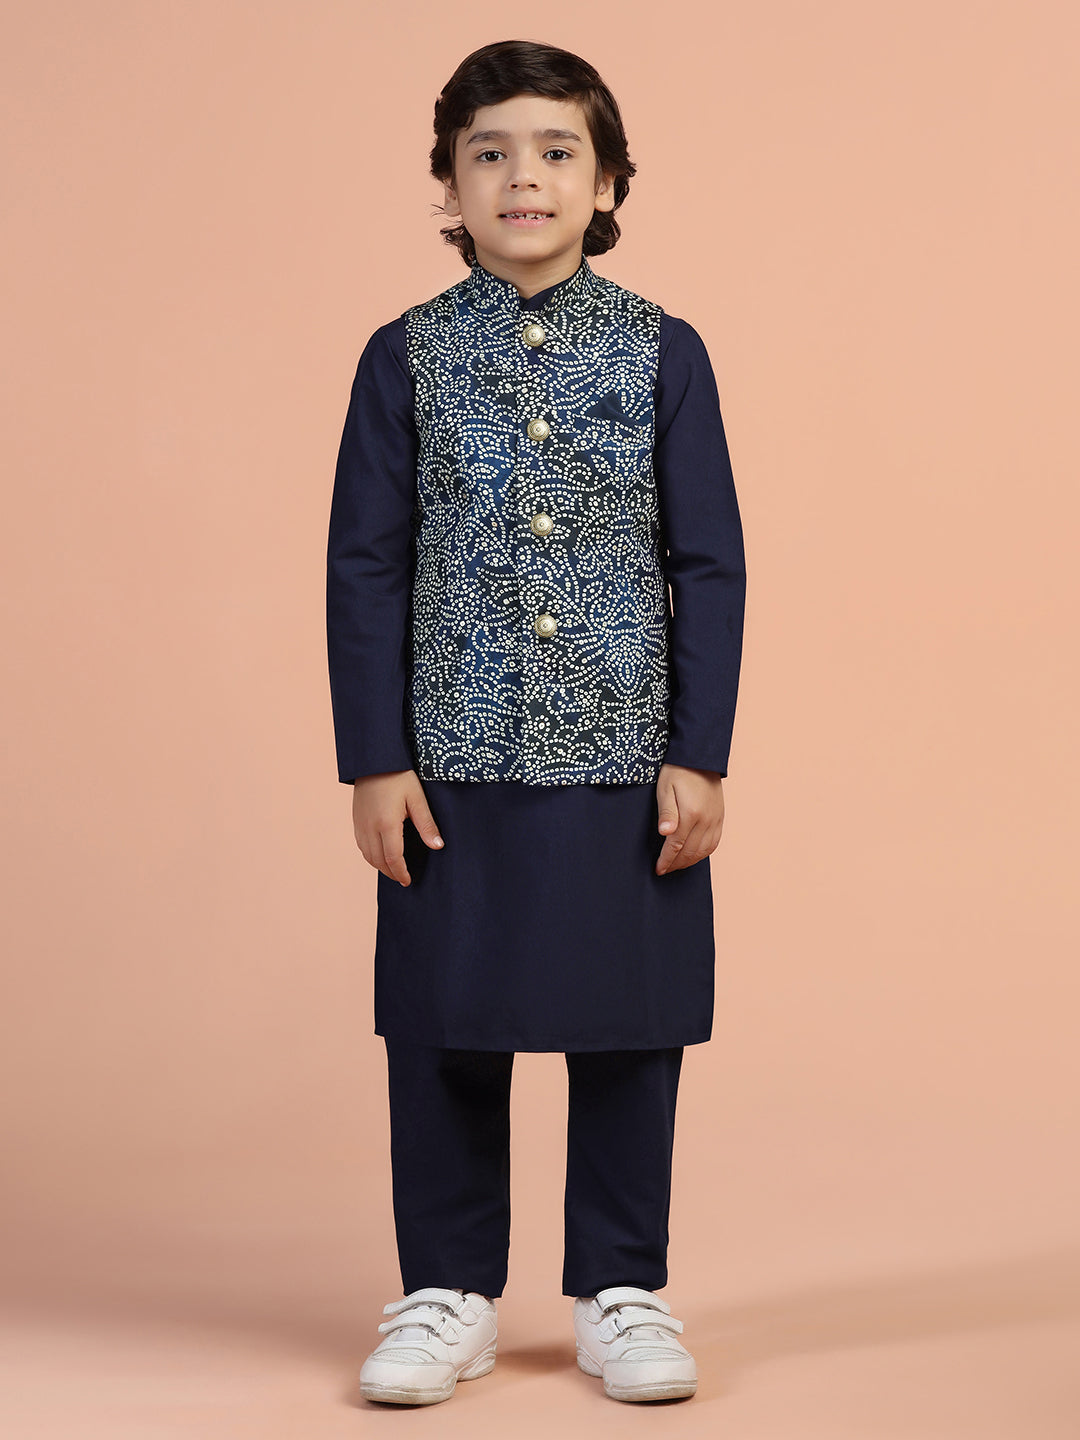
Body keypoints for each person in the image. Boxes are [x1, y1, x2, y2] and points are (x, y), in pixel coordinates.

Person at [325, 39, 746, 1407]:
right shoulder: (404, 357)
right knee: (444, 1017)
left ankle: (623, 1287)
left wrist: (699, 752)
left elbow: (708, 563)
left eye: (558, 151)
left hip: (626, 751)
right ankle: (446, 1290)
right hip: (449, 749)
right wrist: (374, 758)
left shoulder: (664, 351)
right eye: (490, 152)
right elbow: (365, 563)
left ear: (606, 180)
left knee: (629, 1019)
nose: (524, 177)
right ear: (450, 185)